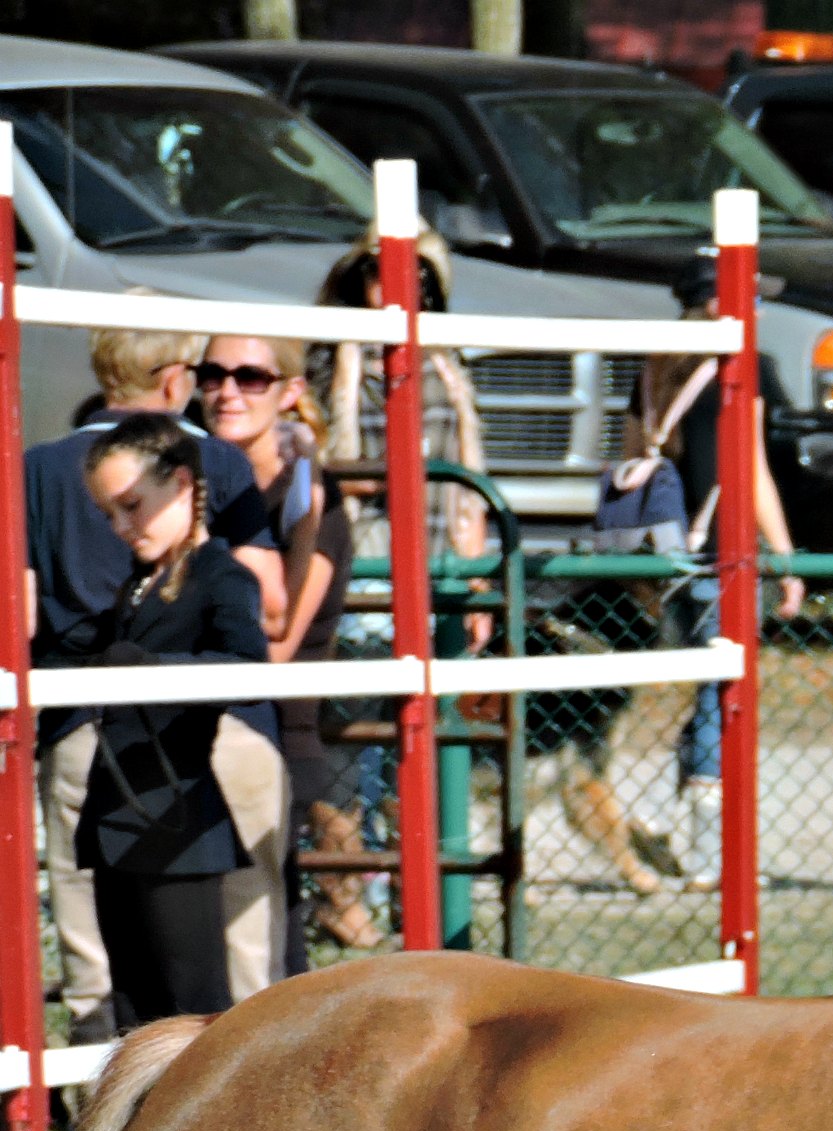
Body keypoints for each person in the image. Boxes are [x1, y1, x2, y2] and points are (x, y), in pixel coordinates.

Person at [25, 330, 283, 1038]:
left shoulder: (217, 577)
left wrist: (156, 671)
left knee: (192, 1006)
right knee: (134, 1006)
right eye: (109, 513)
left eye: (131, 507)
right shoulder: (143, 586)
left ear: (182, 485)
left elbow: (246, 664)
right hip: (121, 819)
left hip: (178, 821)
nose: (120, 527)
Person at [314, 225, 489, 930]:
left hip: (441, 565)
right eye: (381, 270)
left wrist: (474, 575)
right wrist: (356, 363)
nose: (400, 284)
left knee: (417, 742)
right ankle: (347, 896)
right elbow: (342, 465)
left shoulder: (445, 359)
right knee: (352, 739)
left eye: (420, 275)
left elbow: (471, 469)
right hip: (372, 566)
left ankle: (418, 893)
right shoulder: (335, 356)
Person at [626, 257, 807, 889]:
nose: (756, 309)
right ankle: (708, 854)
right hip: (725, 552)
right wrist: (783, 556)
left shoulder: (656, 363)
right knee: (721, 698)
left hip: (668, 554)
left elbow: (631, 457)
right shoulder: (740, 365)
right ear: (720, 302)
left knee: (711, 690)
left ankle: (658, 811)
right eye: (750, 297)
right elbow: (749, 469)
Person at [198, 333, 379, 961]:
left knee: (263, 945)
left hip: (273, 735)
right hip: (187, 734)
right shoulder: (188, 483)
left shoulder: (310, 505)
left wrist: (300, 532)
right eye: (212, 373)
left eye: (250, 377)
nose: (226, 392)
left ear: (290, 392)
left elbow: (276, 646)